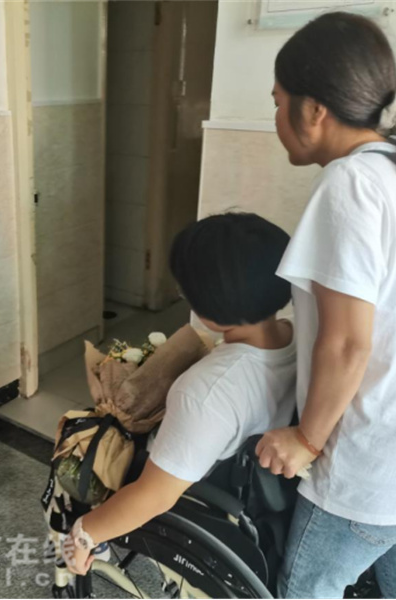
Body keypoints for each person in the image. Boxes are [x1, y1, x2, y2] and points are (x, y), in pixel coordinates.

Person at [254, 12, 396, 599]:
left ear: (313, 110)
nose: (275, 117)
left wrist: (305, 440)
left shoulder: (349, 184)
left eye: (277, 102)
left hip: (375, 471)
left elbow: (348, 343)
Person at [65, 213, 297, 574]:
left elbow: (155, 495)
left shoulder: (207, 390)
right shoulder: (297, 336)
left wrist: (85, 533)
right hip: (266, 488)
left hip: (204, 490)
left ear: (209, 303)